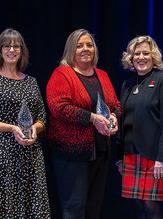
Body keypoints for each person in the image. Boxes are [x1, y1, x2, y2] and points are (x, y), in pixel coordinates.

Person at [0, 29, 51, 218]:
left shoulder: (31, 82)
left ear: (22, 51)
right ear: (0, 50)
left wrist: (33, 130)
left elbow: (42, 118)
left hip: (30, 155)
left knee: (31, 206)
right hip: (0, 154)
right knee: (3, 206)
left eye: (16, 46)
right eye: (7, 46)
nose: (11, 49)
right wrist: (12, 128)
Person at [46, 29, 121, 219]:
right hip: (72, 154)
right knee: (74, 208)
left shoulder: (102, 75)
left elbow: (116, 105)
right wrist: (93, 118)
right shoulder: (62, 73)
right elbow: (59, 107)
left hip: (100, 151)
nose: (85, 49)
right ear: (71, 50)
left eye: (89, 45)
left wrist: (114, 116)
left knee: (94, 208)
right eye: (79, 46)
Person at [117, 35, 163, 219]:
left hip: (154, 156)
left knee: (151, 207)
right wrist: (119, 157)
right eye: (137, 54)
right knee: (139, 206)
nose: (141, 57)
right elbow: (122, 121)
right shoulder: (127, 84)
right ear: (131, 57)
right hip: (130, 154)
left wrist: (162, 158)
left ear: (154, 57)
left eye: (146, 53)